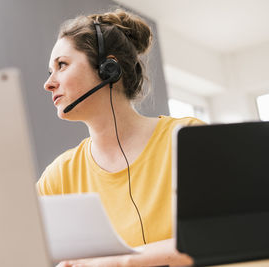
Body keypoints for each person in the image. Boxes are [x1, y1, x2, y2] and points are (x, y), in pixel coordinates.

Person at [37, 8, 202, 267]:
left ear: (108, 68)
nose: (49, 83)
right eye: (50, 71)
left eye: (62, 65)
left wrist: (113, 262)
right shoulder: (58, 177)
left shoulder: (188, 138)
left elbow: (219, 239)